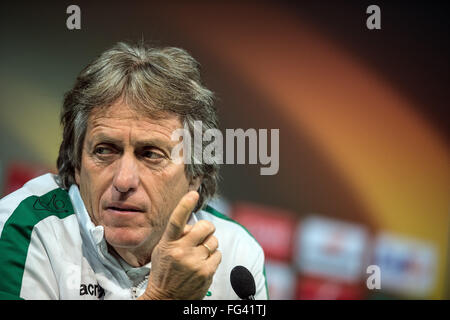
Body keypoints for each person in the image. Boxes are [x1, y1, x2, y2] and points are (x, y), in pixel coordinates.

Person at [0, 42, 268, 300]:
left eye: (151, 154)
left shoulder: (235, 253)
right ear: (77, 164)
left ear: (195, 174)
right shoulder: (24, 229)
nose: (123, 180)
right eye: (105, 150)